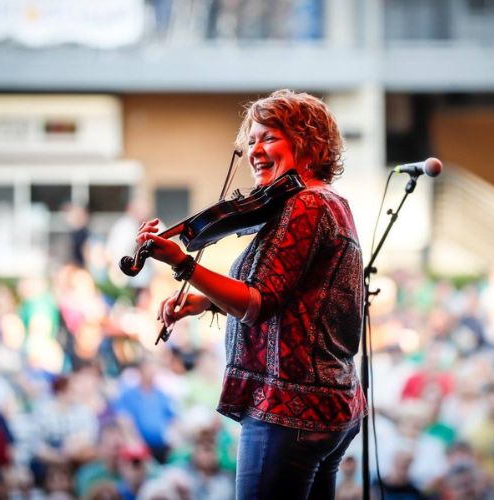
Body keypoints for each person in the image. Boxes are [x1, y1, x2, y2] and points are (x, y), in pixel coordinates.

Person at [136, 89, 366, 499]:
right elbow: (297, 301)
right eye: (252, 140)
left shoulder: (307, 205)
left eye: (270, 138)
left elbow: (258, 302)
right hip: (326, 404)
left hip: (288, 409)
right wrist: (206, 302)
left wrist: (183, 263)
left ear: (309, 144)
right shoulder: (327, 203)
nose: (254, 151)